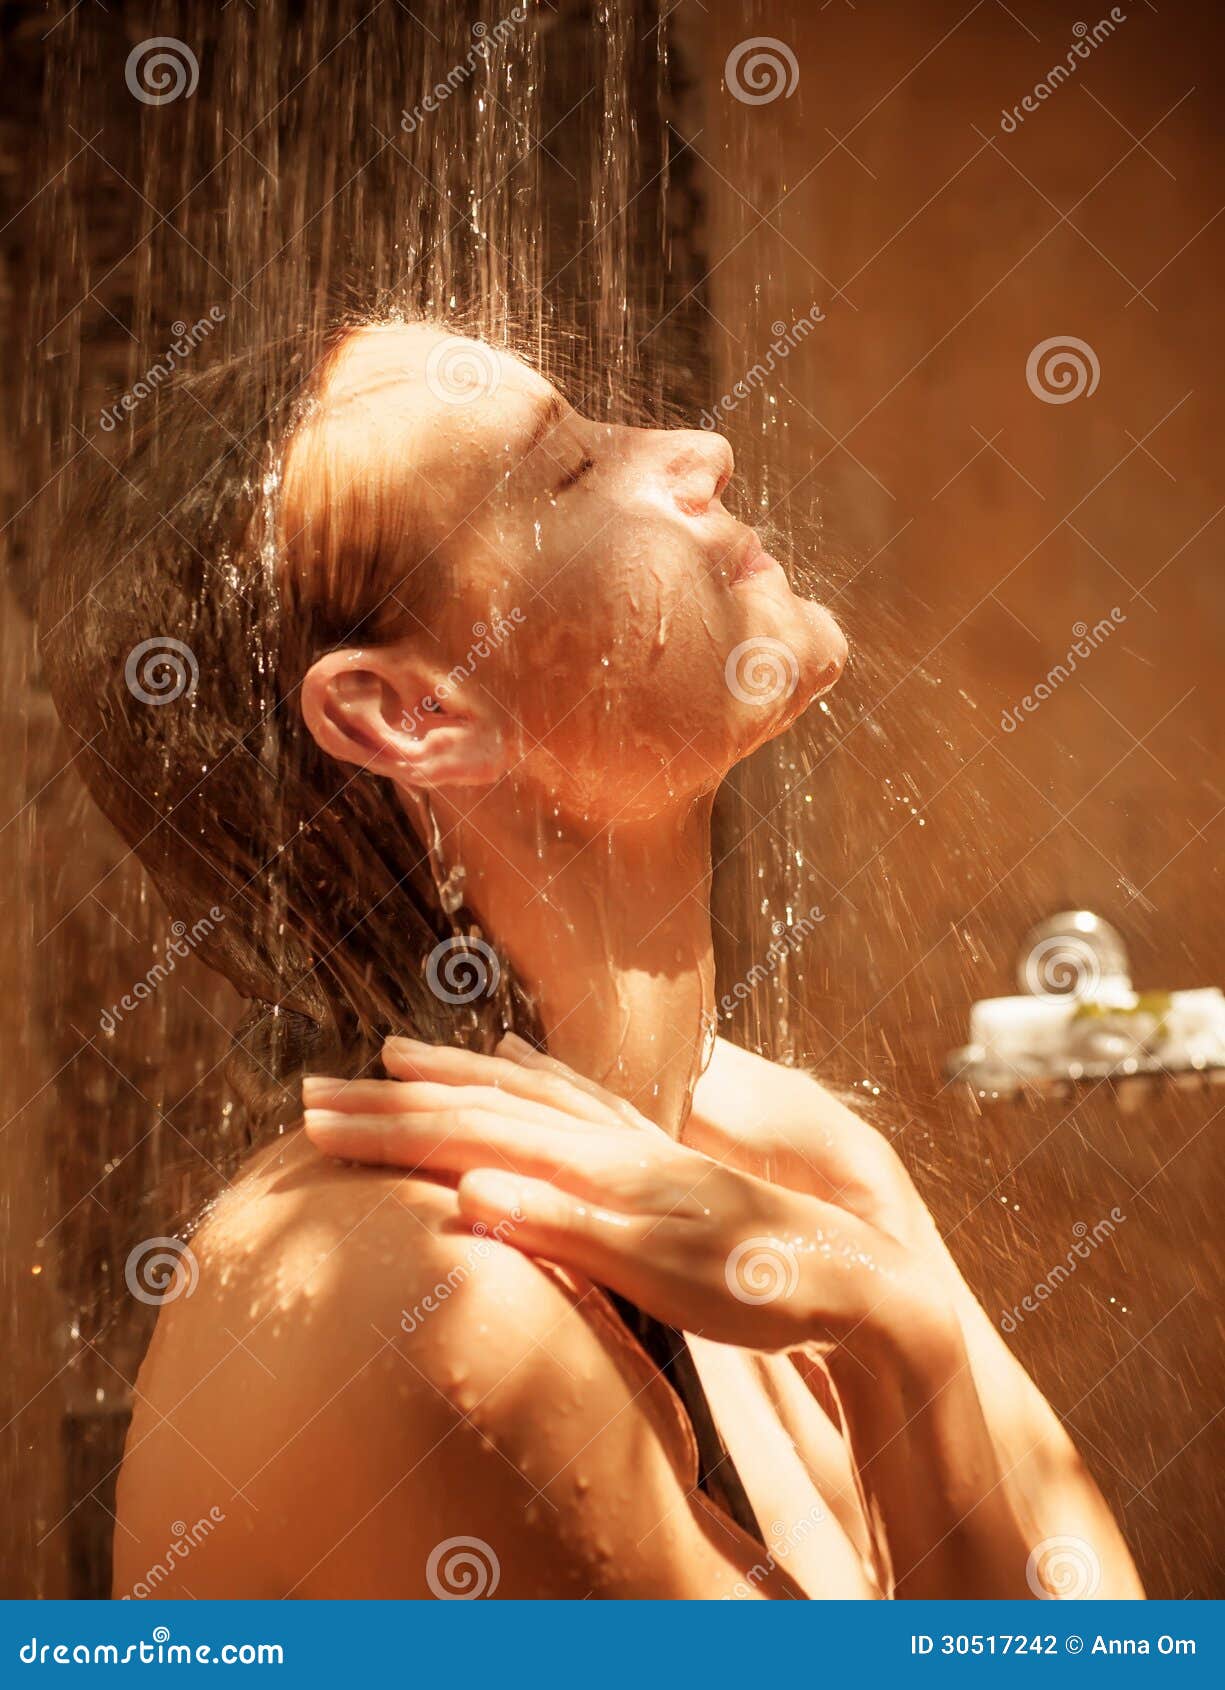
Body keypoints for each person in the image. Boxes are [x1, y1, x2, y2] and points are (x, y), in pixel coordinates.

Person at [43, 321, 1142, 1599]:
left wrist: (868, 1193)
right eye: (565, 470)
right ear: (414, 712)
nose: (701, 451)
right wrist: (898, 1339)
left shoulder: (729, 1185)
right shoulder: (434, 1300)